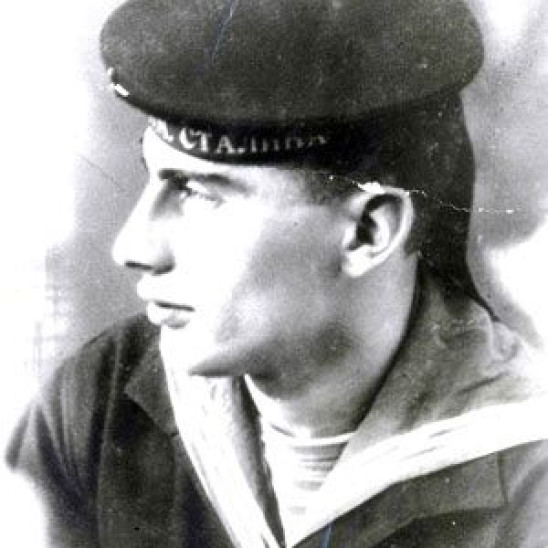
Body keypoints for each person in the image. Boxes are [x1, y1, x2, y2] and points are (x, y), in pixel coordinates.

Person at [7, 0, 548, 546]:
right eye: (155, 176)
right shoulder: (95, 404)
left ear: (367, 232)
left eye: (199, 193)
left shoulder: (533, 481)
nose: (132, 246)